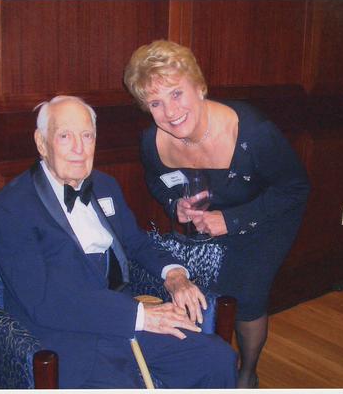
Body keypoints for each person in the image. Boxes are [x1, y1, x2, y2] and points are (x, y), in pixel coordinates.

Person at [0, 95, 237, 389]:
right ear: (42, 144)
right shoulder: (10, 209)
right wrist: (140, 316)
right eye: (65, 136)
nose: (79, 149)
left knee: (216, 359)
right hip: (65, 333)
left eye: (87, 136)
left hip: (120, 312)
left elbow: (135, 242)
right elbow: (43, 301)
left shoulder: (104, 185)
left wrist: (175, 274)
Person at [124, 40, 310, 388]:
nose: (170, 111)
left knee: (244, 294)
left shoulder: (252, 133)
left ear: (200, 87)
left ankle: (246, 371)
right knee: (199, 291)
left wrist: (232, 220)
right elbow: (157, 181)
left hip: (265, 216)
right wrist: (173, 205)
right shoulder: (153, 142)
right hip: (206, 222)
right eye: (155, 102)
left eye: (177, 93)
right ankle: (207, 364)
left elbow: (295, 188)